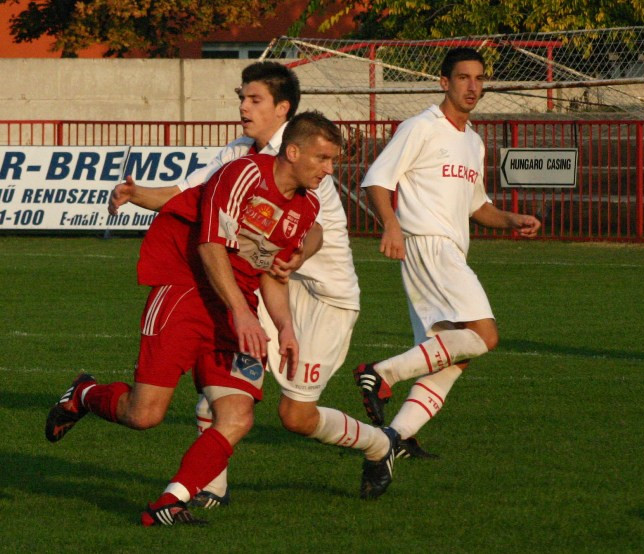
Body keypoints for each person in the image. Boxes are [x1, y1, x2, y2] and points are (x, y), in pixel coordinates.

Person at [45, 111, 397, 527]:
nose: (329, 170)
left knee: (237, 417)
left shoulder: (305, 207)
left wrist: (284, 326)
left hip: (237, 309)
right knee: (144, 415)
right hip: (185, 293)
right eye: (322, 159)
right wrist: (243, 313)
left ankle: (169, 503)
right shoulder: (242, 173)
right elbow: (210, 245)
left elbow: (270, 275)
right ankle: (84, 394)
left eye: (333, 161)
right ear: (294, 151)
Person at [108, 61, 424, 510]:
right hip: (269, 285)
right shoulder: (240, 155)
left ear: (283, 109)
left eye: (253, 99)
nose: (243, 107)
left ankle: (378, 445)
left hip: (325, 298)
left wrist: (296, 256)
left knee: (295, 416)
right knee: (222, 390)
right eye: (242, 97)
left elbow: (315, 229)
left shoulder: (308, 159)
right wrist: (137, 194)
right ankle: (207, 489)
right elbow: (192, 197)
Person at [355, 48, 541, 450]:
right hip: (428, 245)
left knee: (452, 355)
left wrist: (511, 219)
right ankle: (380, 373)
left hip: (451, 250)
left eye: (478, 78)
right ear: (444, 82)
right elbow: (377, 179)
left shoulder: (473, 142)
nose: (472, 86)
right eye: (463, 77)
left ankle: (397, 436)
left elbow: (478, 206)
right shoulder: (421, 127)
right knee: (484, 335)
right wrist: (391, 225)